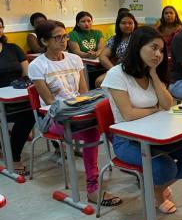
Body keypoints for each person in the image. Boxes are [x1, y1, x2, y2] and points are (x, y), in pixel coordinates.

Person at [102, 26, 182, 214]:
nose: (158, 54)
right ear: (138, 46)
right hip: (127, 141)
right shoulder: (116, 74)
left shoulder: (150, 72)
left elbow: (167, 104)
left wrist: (154, 74)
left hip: (155, 135)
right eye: (153, 48)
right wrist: (155, 110)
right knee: (166, 167)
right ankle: (156, 193)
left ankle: (157, 188)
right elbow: (128, 114)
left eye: (161, 50)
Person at [28, 20, 121, 206]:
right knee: (92, 131)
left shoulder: (74, 59)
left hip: (79, 113)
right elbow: (50, 103)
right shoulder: (37, 65)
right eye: (58, 37)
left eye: (65, 36)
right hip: (54, 118)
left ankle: (130, 156)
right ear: (45, 41)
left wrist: (83, 106)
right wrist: (77, 107)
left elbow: (84, 94)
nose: (63, 41)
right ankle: (93, 188)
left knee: (109, 117)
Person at [0, 17, 35, 175]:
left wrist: (20, 85)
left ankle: (14, 156)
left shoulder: (13, 48)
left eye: (0, 27)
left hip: (17, 94)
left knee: (29, 116)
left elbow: (26, 73)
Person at [96, 12, 137, 88]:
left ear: (135, 24)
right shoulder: (114, 39)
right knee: (99, 82)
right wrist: (115, 71)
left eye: (130, 23)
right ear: (118, 25)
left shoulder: (140, 38)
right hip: (120, 70)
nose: (127, 25)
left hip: (136, 69)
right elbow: (102, 56)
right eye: (123, 23)